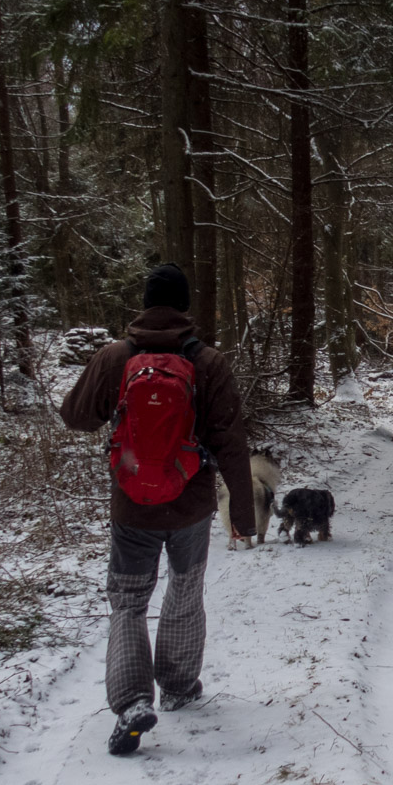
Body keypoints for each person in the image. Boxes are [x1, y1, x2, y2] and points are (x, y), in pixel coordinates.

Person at [60, 263, 255, 755]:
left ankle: (129, 701)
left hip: (132, 505)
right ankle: (179, 684)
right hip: (190, 504)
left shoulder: (114, 356)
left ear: (145, 304)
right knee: (185, 591)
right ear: (184, 306)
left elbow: (75, 416)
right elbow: (230, 442)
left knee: (128, 600)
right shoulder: (209, 362)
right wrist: (242, 514)